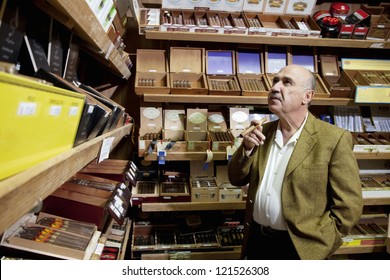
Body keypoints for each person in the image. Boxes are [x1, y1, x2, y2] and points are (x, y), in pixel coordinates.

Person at [228, 64, 363, 260]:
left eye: (287, 82)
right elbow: (236, 178)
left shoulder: (333, 139)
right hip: (256, 241)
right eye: (275, 81)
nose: (275, 87)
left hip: (300, 249)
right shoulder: (262, 131)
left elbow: (349, 207)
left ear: (307, 97)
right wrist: (247, 149)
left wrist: (320, 244)